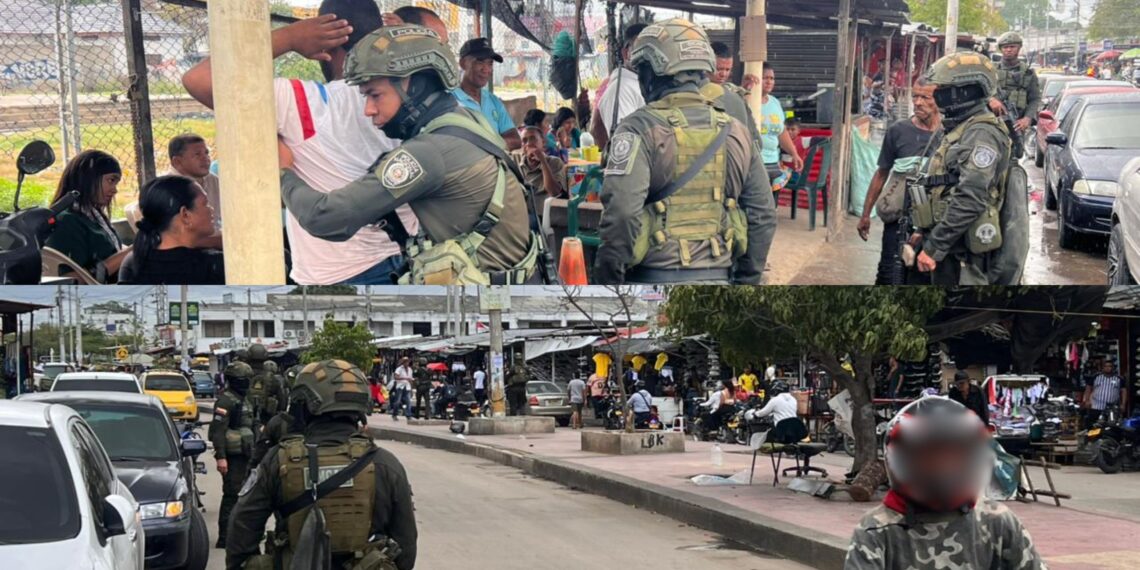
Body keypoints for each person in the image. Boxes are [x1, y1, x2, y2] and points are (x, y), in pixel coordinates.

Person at [183, 4, 428, 285]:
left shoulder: (304, 103)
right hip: (413, 257)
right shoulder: (409, 95)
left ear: (327, 40)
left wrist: (288, 38)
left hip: (341, 275)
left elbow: (197, 79)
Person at [279, 25, 542, 286]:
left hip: (493, 307)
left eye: (374, 95)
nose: (368, 109)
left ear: (413, 86)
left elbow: (326, 218)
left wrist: (284, 172)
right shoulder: (468, 120)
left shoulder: (429, 152)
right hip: (519, 285)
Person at [594, 19, 776, 285]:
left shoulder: (637, 129)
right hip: (720, 276)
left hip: (650, 277)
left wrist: (608, 285)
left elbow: (621, 214)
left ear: (651, 73)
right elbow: (763, 214)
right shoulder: (736, 131)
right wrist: (745, 281)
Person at [226, 360, 417, 570]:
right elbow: (406, 540)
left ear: (304, 405)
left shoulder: (277, 460)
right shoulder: (385, 464)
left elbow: (243, 524)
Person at [845, 397, 1044, 569]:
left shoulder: (997, 522)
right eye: (930, 455)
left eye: (954, 454)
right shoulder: (877, 530)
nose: (944, 466)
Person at [910, 51, 1013, 285]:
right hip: (948, 244)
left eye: (944, 89)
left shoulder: (981, 134)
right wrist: (925, 231)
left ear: (965, 91)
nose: (938, 95)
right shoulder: (962, 128)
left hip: (961, 254)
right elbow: (944, 184)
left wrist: (936, 245)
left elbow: (971, 197)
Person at [857, 78, 942, 285]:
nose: (918, 102)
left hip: (936, 224)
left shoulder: (950, 134)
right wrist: (866, 214)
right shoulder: (898, 131)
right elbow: (881, 173)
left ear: (939, 100)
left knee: (923, 278)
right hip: (900, 219)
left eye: (926, 97)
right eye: (915, 96)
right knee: (889, 273)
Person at [118, 175, 225, 284]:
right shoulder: (214, 266)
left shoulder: (132, 263)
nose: (211, 209)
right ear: (185, 215)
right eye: (205, 203)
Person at [44, 150, 132, 281]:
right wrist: (131, 252)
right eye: (111, 180)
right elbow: (68, 281)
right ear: (88, 178)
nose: (115, 190)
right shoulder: (66, 222)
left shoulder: (93, 215)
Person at [208, 361, 257, 549]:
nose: (246, 383)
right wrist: (221, 457)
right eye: (243, 380)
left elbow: (253, 423)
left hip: (247, 453)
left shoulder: (246, 399)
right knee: (232, 495)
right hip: (233, 456)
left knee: (247, 496)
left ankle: (240, 534)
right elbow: (218, 431)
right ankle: (225, 537)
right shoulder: (225, 400)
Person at [452, 38, 521, 151]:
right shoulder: (449, 100)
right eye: (479, 62)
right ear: (463, 63)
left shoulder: (494, 101)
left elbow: (515, 140)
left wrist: (480, 144)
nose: (486, 69)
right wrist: (497, 143)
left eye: (490, 63)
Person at [592, 23, 648, 149]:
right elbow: (623, 147)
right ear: (626, 53)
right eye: (640, 48)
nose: (647, 56)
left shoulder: (642, 84)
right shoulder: (623, 89)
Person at [989, 32, 1040, 159]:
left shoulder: (1028, 73)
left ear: (1019, 48)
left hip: (1016, 123)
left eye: (1012, 46)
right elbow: (979, 91)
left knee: (1015, 156)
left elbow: (1034, 99)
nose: (1009, 50)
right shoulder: (990, 70)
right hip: (992, 122)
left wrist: (1027, 118)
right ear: (1001, 49)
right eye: (1005, 47)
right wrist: (991, 100)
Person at [758, 64, 805, 195]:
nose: (769, 81)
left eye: (772, 78)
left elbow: (782, 132)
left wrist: (794, 154)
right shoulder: (748, 101)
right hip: (755, 163)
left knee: (772, 207)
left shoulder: (775, 103)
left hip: (773, 162)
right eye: (765, 77)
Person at [164, 133, 224, 233]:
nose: (205, 158)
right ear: (177, 162)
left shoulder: (212, 180)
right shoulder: (165, 188)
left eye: (206, 153)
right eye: (197, 154)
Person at [512, 126, 568, 203]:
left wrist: (542, 160)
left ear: (543, 142)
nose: (528, 144)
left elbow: (554, 192)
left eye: (533, 139)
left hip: (543, 213)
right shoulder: (515, 160)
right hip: (522, 211)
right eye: (524, 141)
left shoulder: (555, 162)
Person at [246, 344, 287, 424]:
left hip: (245, 420)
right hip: (267, 422)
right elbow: (282, 403)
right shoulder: (272, 378)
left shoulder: (242, 376)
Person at [1083, 360, 1127, 428]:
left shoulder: (1119, 379)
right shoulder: (1096, 377)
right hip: (1096, 406)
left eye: (1110, 366)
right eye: (1106, 366)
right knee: (1094, 425)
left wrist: (1123, 404)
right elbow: (1088, 388)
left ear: (1113, 368)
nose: (1108, 368)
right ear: (1103, 368)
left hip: (1112, 408)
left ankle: (1107, 438)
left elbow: (1124, 391)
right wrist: (1087, 400)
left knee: (1111, 425)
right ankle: (1093, 438)